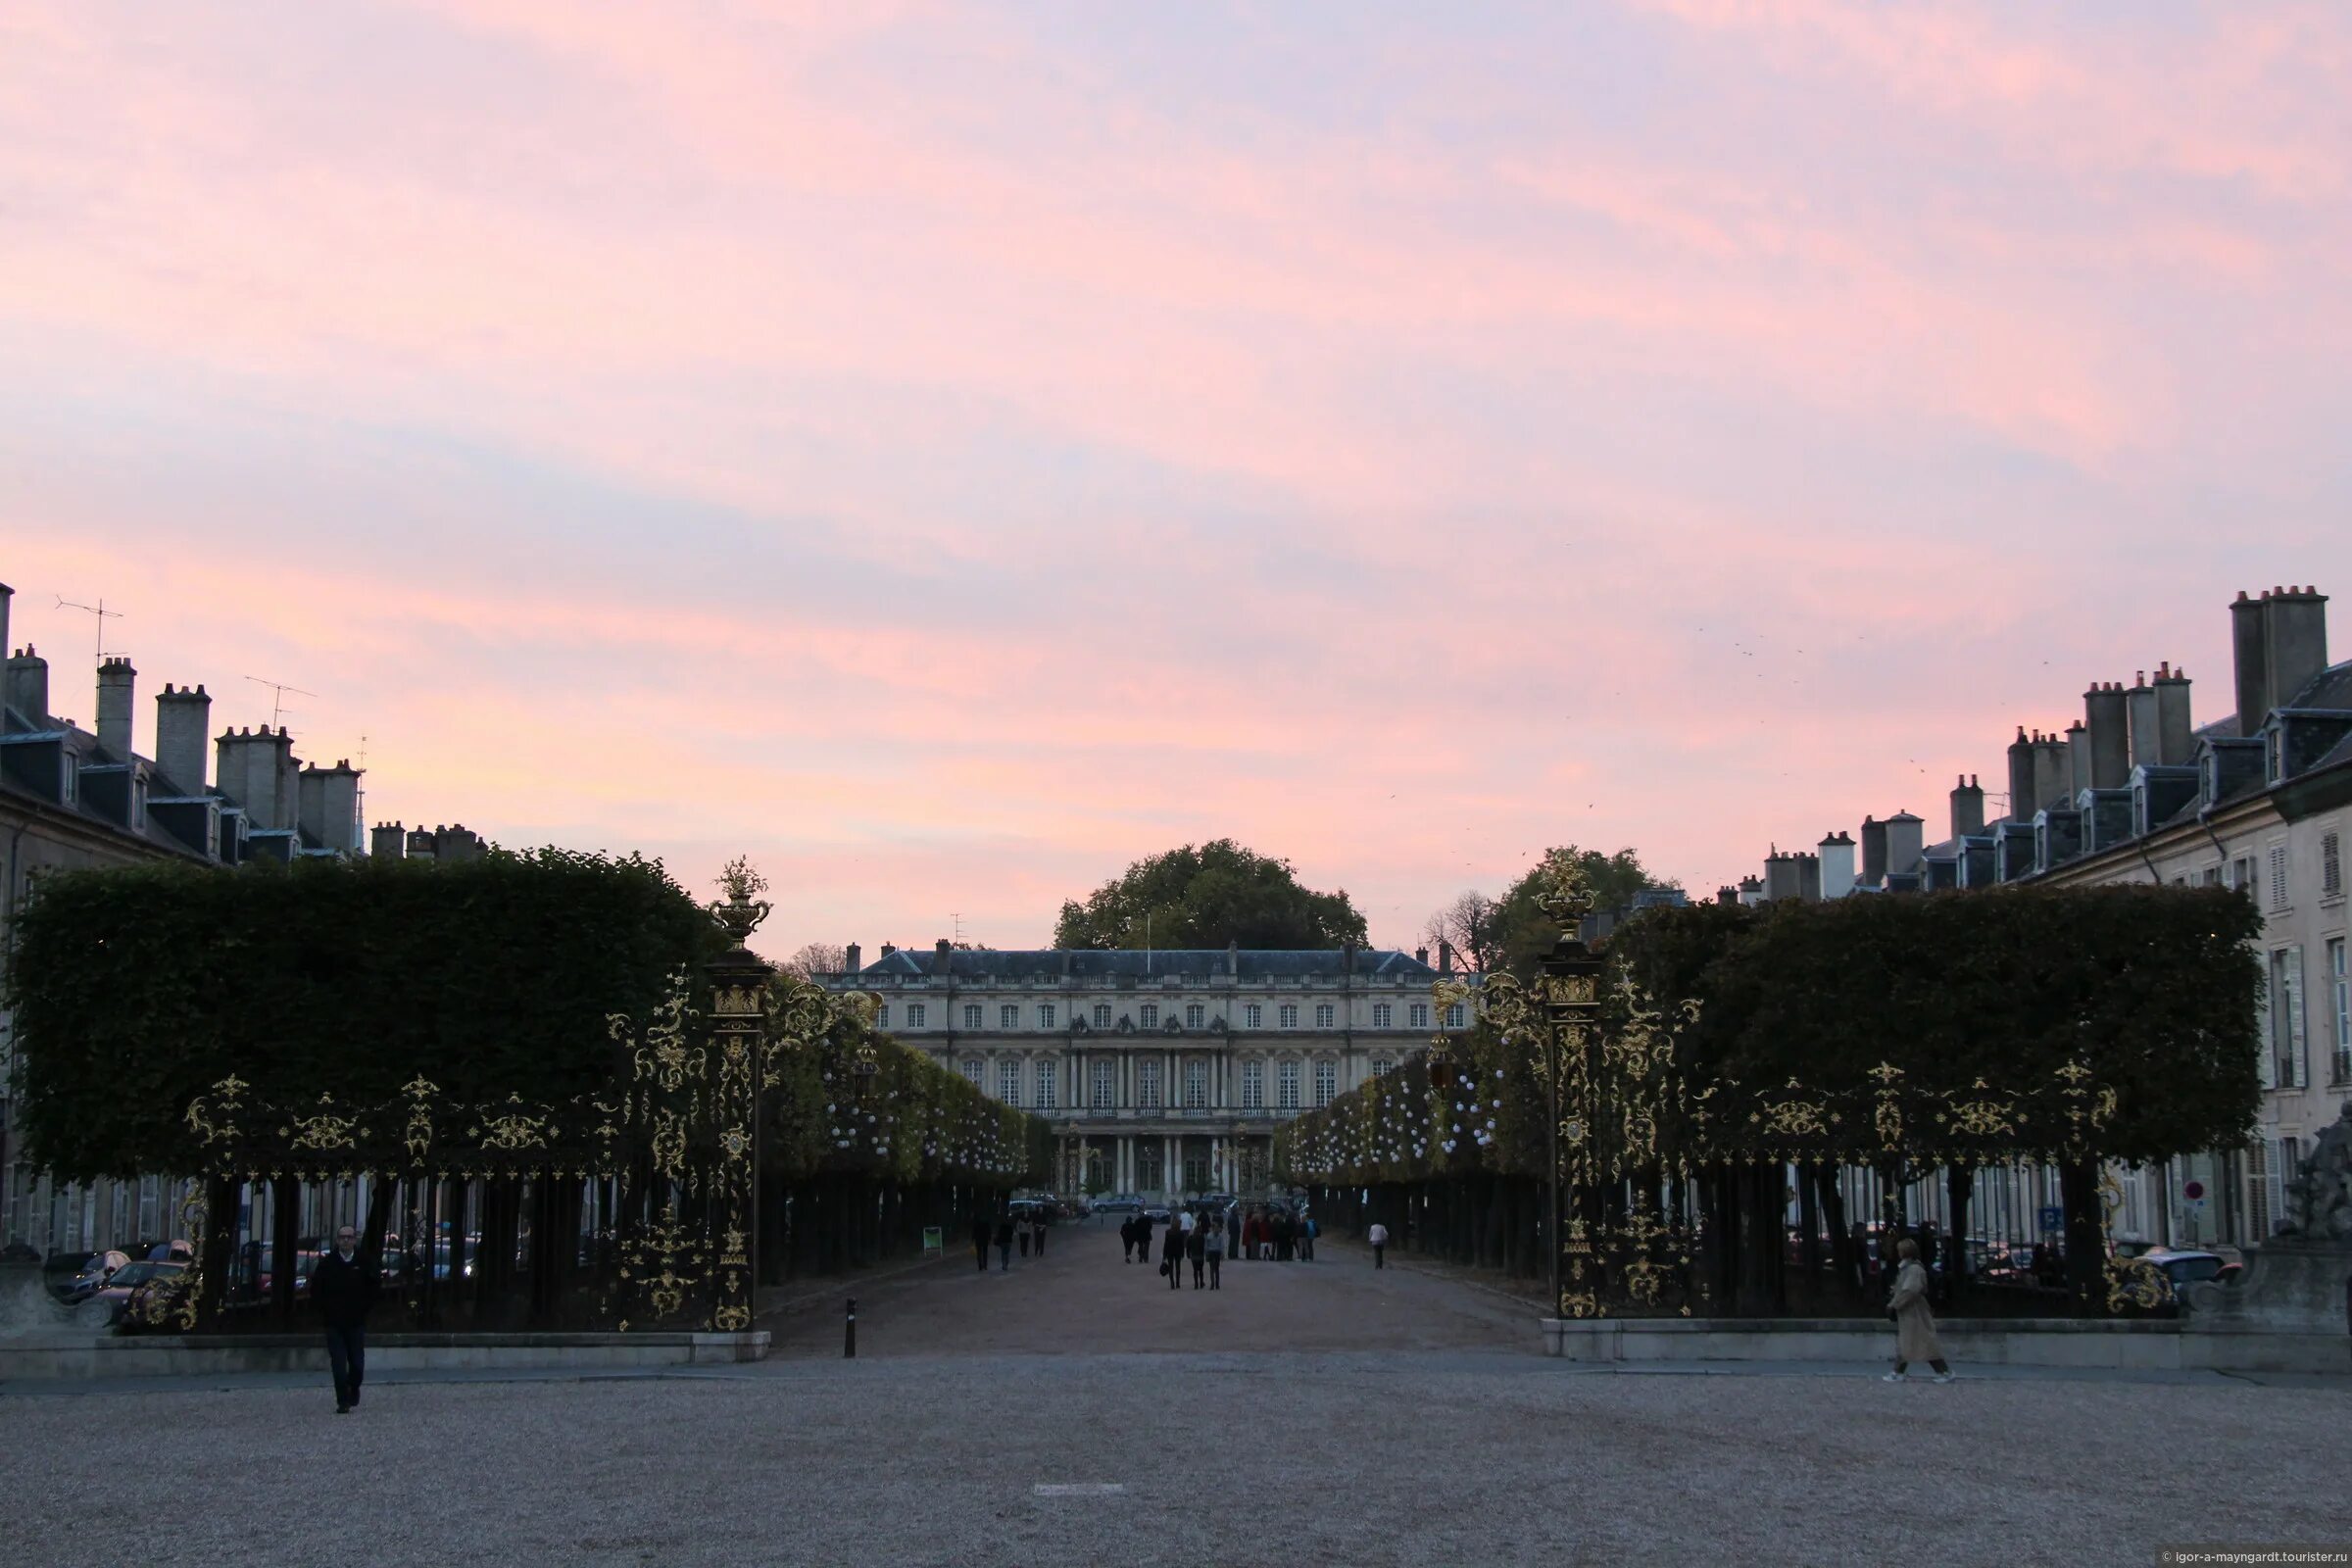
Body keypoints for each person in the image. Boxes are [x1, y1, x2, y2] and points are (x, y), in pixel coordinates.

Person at [309, 1224, 380, 1414]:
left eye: (349, 1237)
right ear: (337, 1240)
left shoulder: (364, 1261)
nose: (346, 1240)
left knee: (357, 1363)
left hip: (356, 1321)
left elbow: (374, 1288)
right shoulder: (328, 1263)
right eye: (342, 1237)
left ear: (354, 1240)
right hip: (334, 1322)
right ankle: (343, 1400)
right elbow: (316, 1290)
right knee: (339, 1364)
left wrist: (365, 1309)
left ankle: (354, 1387)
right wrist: (325, 1311)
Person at [1885, 1236, 1954, 1383]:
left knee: (1921, 1341)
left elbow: (1910, 1290)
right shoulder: (1910, 1268)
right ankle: (1898, 1371)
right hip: (1911, 1310)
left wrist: (1895, 1304)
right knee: (1910, 1342)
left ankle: (1944, 1371)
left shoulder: (1913, 1269)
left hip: (1914, 1311)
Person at [1159, 1211, 1184, 1291]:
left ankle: (1172, 1283)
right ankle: (1178, 1283)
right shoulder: (1180, 1233)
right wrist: (1182, 1253)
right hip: (1178, 1252)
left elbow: (1166, 1244)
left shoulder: (1168, 1232)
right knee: (1178, 1268)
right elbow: (1182, 1244)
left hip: (1170, 1252)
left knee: (1170, 1268)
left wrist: (1164, 1254)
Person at [1203, 1215, 1224, 1290]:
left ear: (1212, 1228)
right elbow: (1222, 1245)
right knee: (1217, 1269)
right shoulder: (1220, 1236)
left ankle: (1212, 1284)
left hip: (1211, 1252)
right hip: (1217, 1252)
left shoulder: (1208, 1235)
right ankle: (1217, 1284)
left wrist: (1206, 1254)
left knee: (1211, 1269)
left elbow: (1206, 1246)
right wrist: (1222, 1254)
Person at [1186, 1216, 1207, 1289]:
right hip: (1200, 1256)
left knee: (1195, 1270)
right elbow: (1204, 1247)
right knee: (1201, 1270)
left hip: (1194, 1256)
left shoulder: (1191, 1238)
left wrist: (1188, 1254)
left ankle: (1196, 1284)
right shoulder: (1202, 1238)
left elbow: (1188, 1247)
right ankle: (1201, 1283)